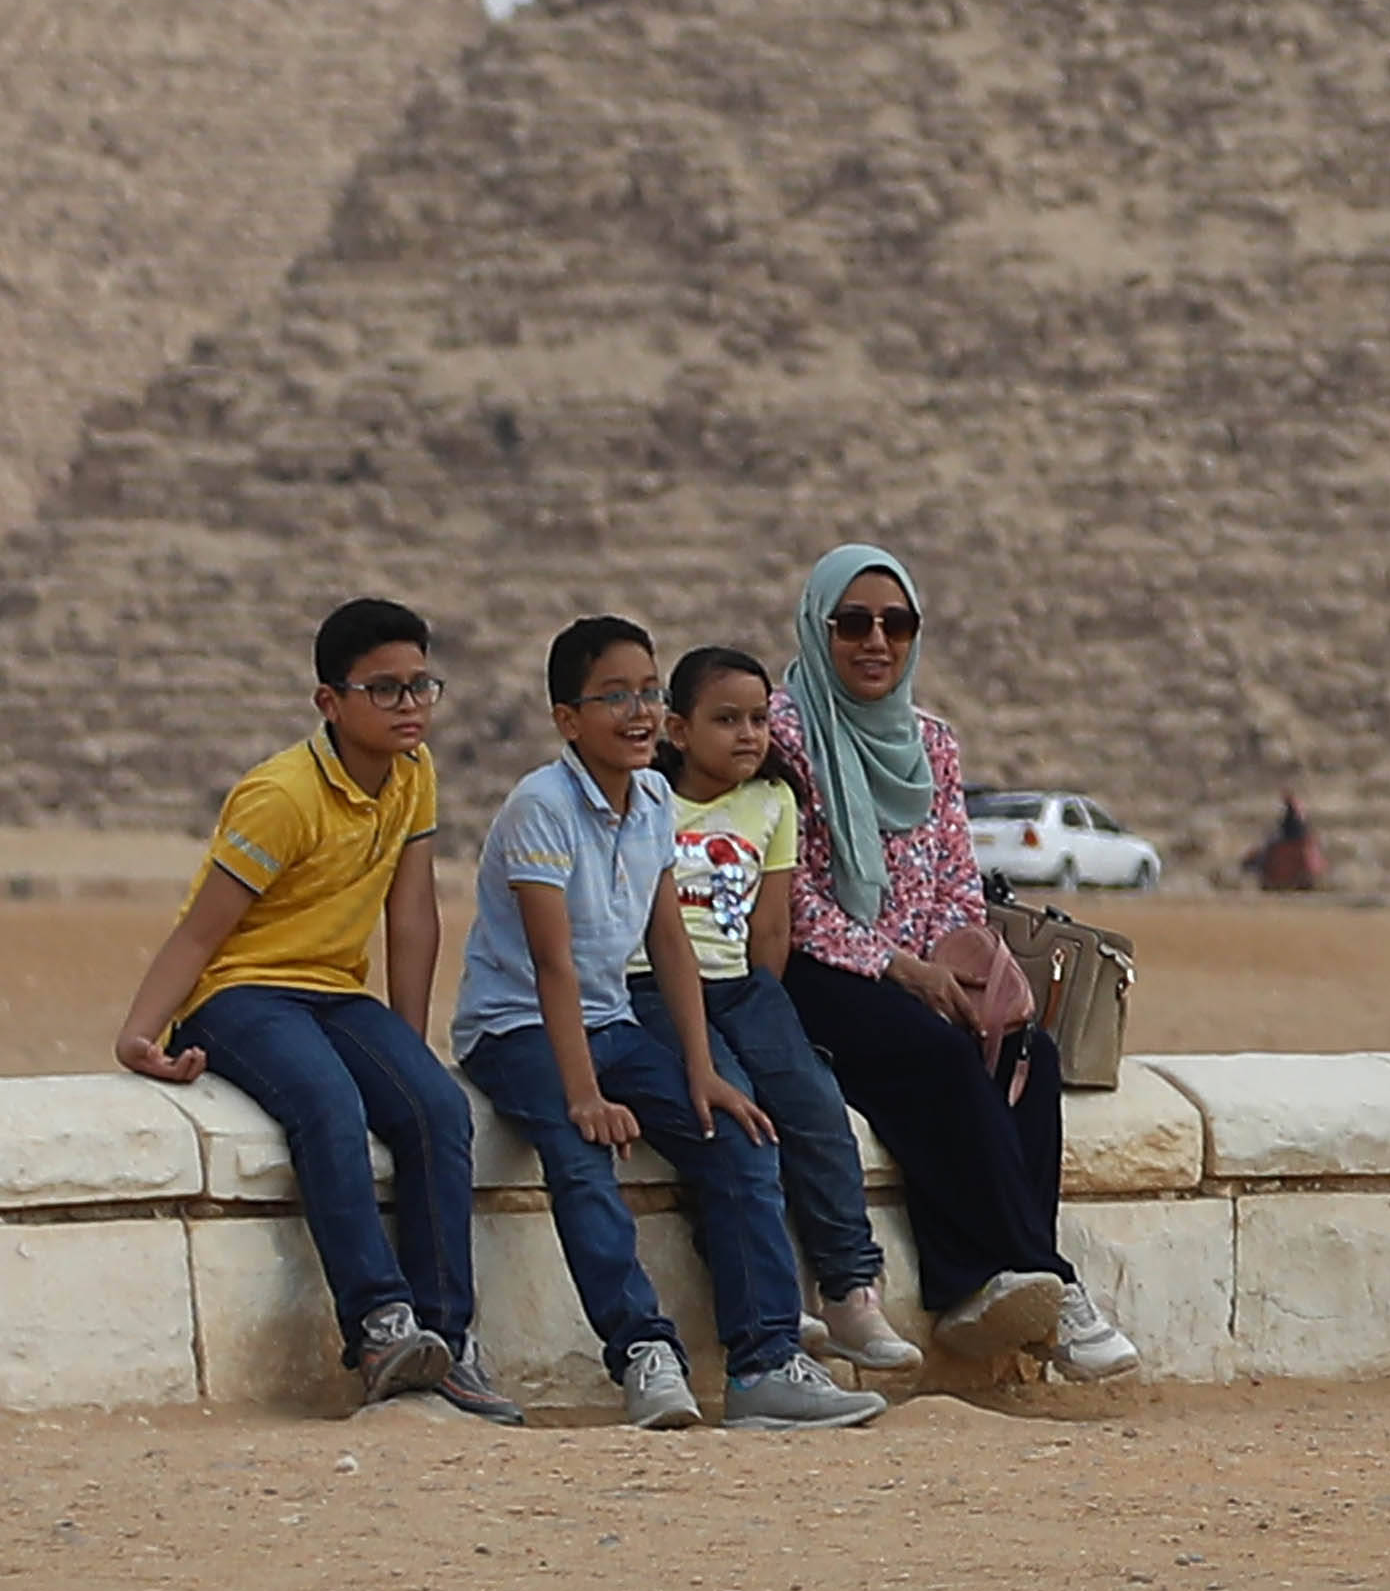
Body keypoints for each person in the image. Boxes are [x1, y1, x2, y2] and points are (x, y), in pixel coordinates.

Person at [456, 616, 878, 1430]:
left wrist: (701, 1069)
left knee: (739, 1131)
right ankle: (644, 1352)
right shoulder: (539, 808)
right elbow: (553, 967)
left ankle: (763, 1363)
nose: (641, 711)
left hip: (611, 1018)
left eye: (648, 691)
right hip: (517, 1029)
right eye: (615, 697)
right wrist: (583, 1094)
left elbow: (668, 941)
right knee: (582, 1153)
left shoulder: (652, 796)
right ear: (566, 718)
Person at [107, 595, 514, 1418]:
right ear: (330, 702)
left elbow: (412, 915)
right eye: (386, 690)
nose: (411, 708)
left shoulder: (413, 774)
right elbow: (202, 932)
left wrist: (405, 1045)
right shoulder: (281, 796)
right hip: (241, 993)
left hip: (331, 991)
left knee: (435, 1106)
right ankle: (378, 1324)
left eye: (422, 687)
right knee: (325, 1103)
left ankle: (446, 1339)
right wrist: (138, 1034)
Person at [774, 540, 1137, 1382]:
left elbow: (952, 878)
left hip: (927, 971)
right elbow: (791, 900)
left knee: (1026, 1053)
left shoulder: (932, 742)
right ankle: (1049, 1279)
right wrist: (901, 968)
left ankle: (980, 1281)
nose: (876, 643)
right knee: (933, 1053)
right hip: (820, 969)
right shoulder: (782, 734)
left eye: (896, 624)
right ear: (815, 627)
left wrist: (958, 971)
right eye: (853, 623)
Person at [661, 642, 914, 1378]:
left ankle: (849, 1289)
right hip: (662, 987)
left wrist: (762, 1015)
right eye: (725, 719)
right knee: (735, 1121)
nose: (747, 734)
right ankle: (771, 1290)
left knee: (813, 1106)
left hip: (745, 986)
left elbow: (771, 927)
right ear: (678, 730)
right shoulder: (646, 802)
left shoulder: (774, 801)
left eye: (759, 718)